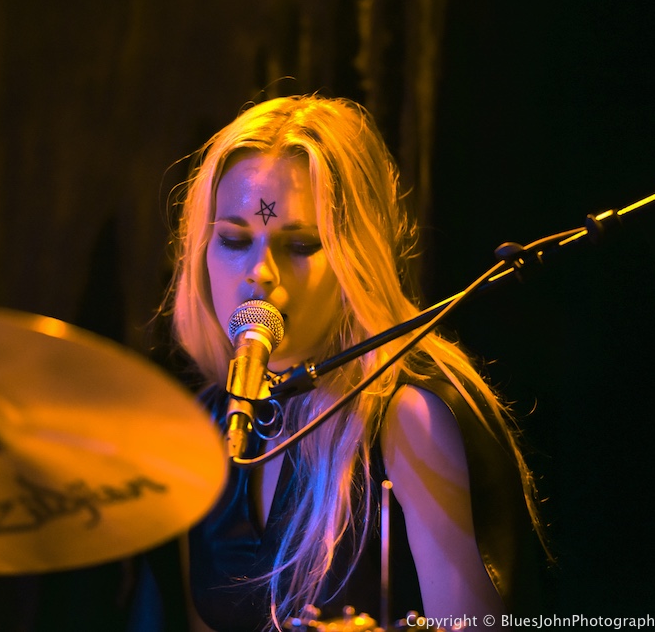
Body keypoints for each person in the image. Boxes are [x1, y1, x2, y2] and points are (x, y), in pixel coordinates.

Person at [163, 94, 547, 632]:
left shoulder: (409, 416)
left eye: (299, 245)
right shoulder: (206, 428)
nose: (260, 272)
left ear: (355, 256)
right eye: (233, 240)